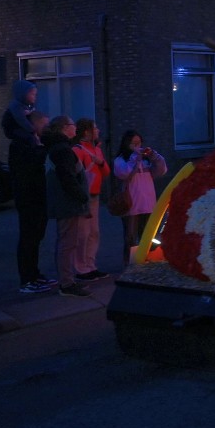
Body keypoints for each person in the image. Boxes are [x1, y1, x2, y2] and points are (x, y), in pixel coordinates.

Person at [42, 116, 92, 298]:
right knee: (67, 243)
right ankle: (67, 283)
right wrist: (81, 196)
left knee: (66, 241)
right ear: (64, 128)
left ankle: (67, 279)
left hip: (65, 202)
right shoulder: (62, 150)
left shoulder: (57, 148)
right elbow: (67, 177)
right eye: (72, 125)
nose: (75, 128)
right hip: (68, 204)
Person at [10, 111, 57, 293]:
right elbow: (27, 167)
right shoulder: (20, 144)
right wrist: (40, 149)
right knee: (28, 238)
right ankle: (27, 279)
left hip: (39, 196)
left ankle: (35, 274)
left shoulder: (36, 142)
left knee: (36, 237)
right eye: (44, 125)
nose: (46, 129)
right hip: (28, 198)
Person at [113, 130, 168, 264]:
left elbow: (162, 171)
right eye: (134, 143)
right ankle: (129, 264)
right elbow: (124, 174)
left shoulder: (146, 161)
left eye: (139, 143)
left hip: (148, 203)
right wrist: (134, 159)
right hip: (132, 204)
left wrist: (155, 157)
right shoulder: (120, 160)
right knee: (130, 237)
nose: (138, 146)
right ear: (127, 144)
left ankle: (147, 261)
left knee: (147, 236)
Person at [72, 118, 110, 281]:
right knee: (83, 233)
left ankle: (90, 265)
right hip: (84, 197)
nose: (98, 131)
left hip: (94, 196)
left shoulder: (96, 150)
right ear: (86, 132)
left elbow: (106, 172)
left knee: (94, 232)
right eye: (94, 128)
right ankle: (81, 268)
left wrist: (100, 163)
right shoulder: (78, 150)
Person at [1, 79, 37, 144]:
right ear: (23, 94)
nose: (35, 97)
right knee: (30, 139)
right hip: (13, 129)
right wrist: (33, 130)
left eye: (35, 95)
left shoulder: (26, 105)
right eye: (32, 95)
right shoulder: (16, 105)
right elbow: (21, 120)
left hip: (21, 128)